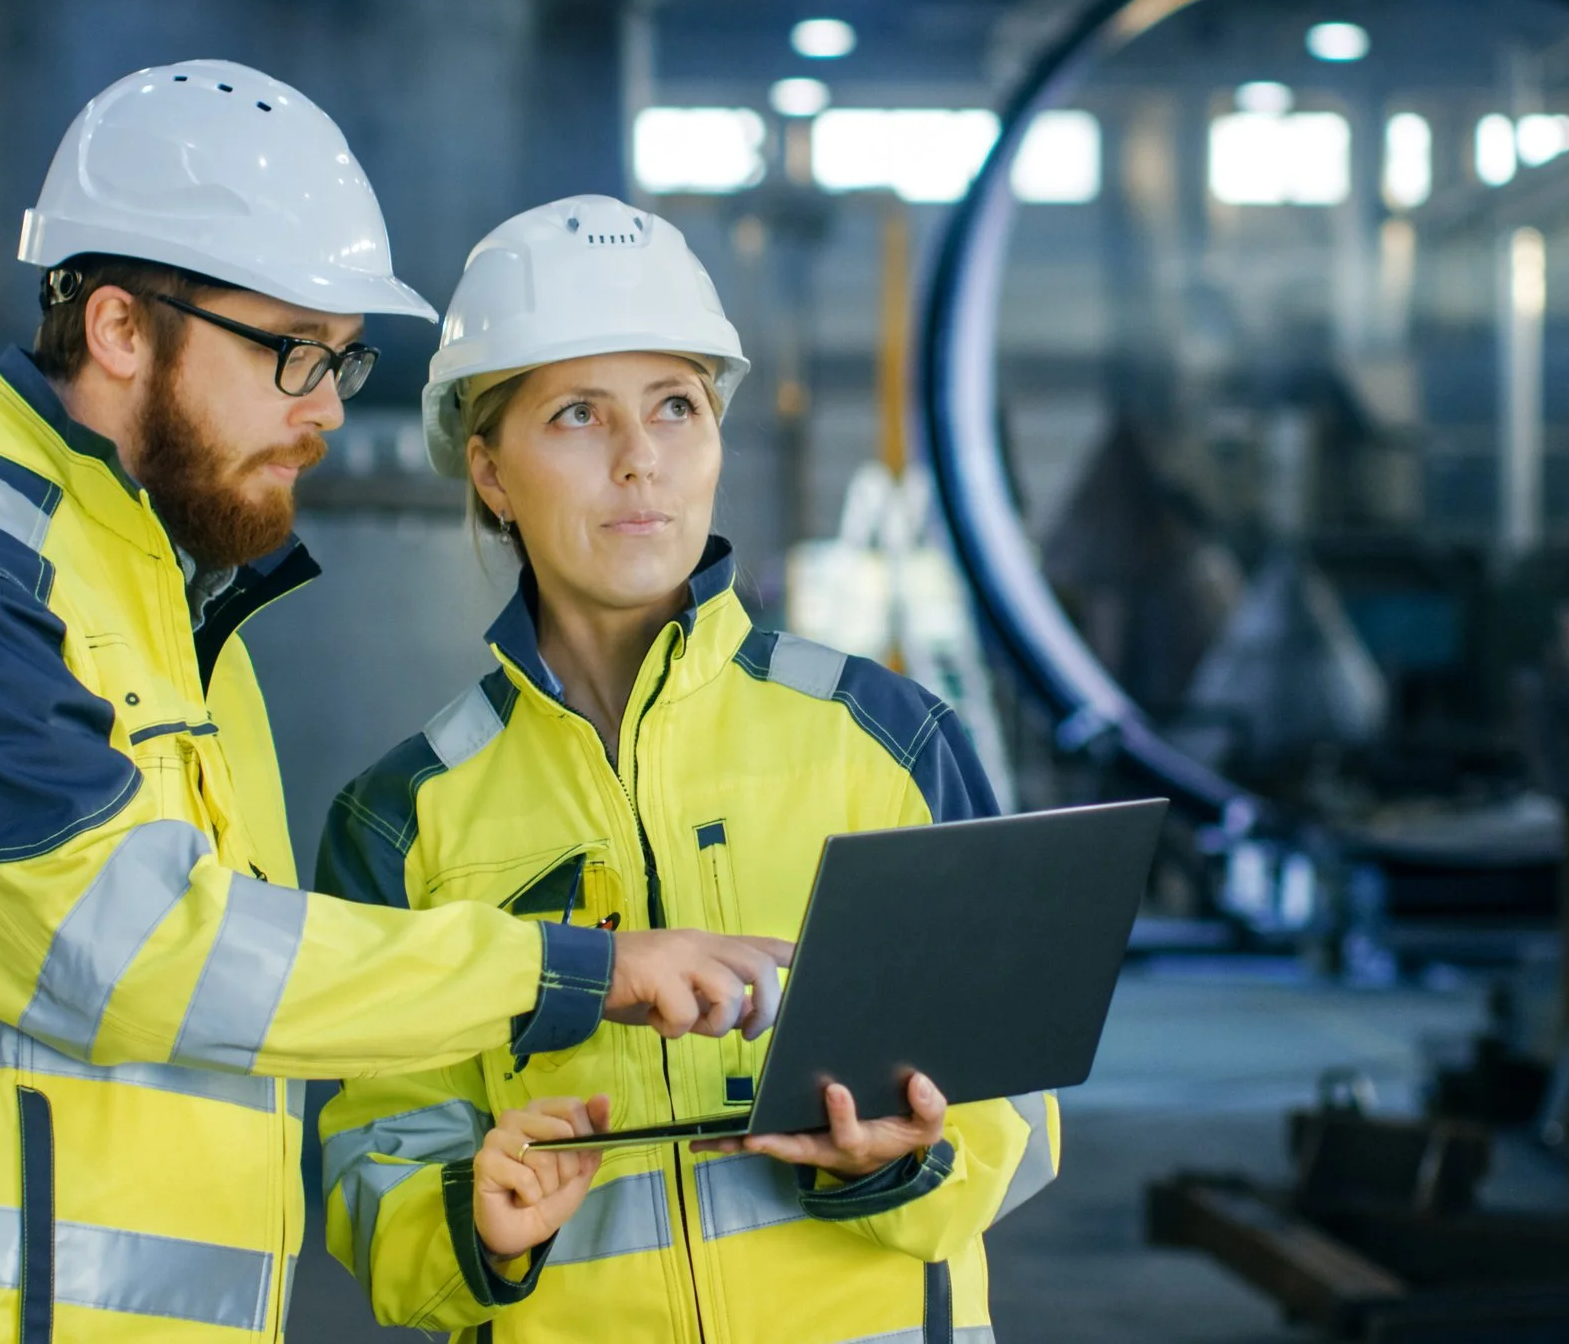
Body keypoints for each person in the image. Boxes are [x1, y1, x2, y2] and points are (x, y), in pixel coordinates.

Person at [0, 66, 787, 1344]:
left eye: (340, 359)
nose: (328, 409)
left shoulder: (186, 626)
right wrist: (578, 968)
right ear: (119, 329)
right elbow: (136, 955)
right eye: (291, 353)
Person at [315, 194, 1059, 1343]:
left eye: (676, 406)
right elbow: (374, 1176)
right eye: (576, 414)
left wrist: (893, 1159)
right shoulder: (401, 821)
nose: (639, 460)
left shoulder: (886, 736)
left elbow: (1019, 1110)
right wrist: (475, 1220)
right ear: (490, 472)